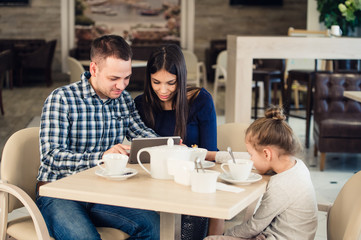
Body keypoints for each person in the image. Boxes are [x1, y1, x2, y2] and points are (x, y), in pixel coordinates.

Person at [36, 35, 160, 240]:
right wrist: (102, 157)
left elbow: (141, 132)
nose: (122, 86)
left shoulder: (123, 100)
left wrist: (166, 145)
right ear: (94, 69)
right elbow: (51, 157)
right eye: (114, 78)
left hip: (101, 192)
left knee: (154, 226)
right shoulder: (62, 99)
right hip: (59, 192)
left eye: (126, 77)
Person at [134, 44, 220, 239]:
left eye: (171, 83)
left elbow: (211, 156)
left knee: (188, 230)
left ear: (181, 78)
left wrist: (186, 152)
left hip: (192, 181)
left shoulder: (200, 100)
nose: (163, 90)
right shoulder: (141, 104)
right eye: (156, 82)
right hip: (155, 182)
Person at [204, 106, 318, 240]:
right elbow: (246, 159)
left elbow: (254, 226)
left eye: (251, 154)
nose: (250, 159)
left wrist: (224, 235)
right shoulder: (295, 165)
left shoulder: (280, 186)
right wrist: (213, 155)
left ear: (266, 153)